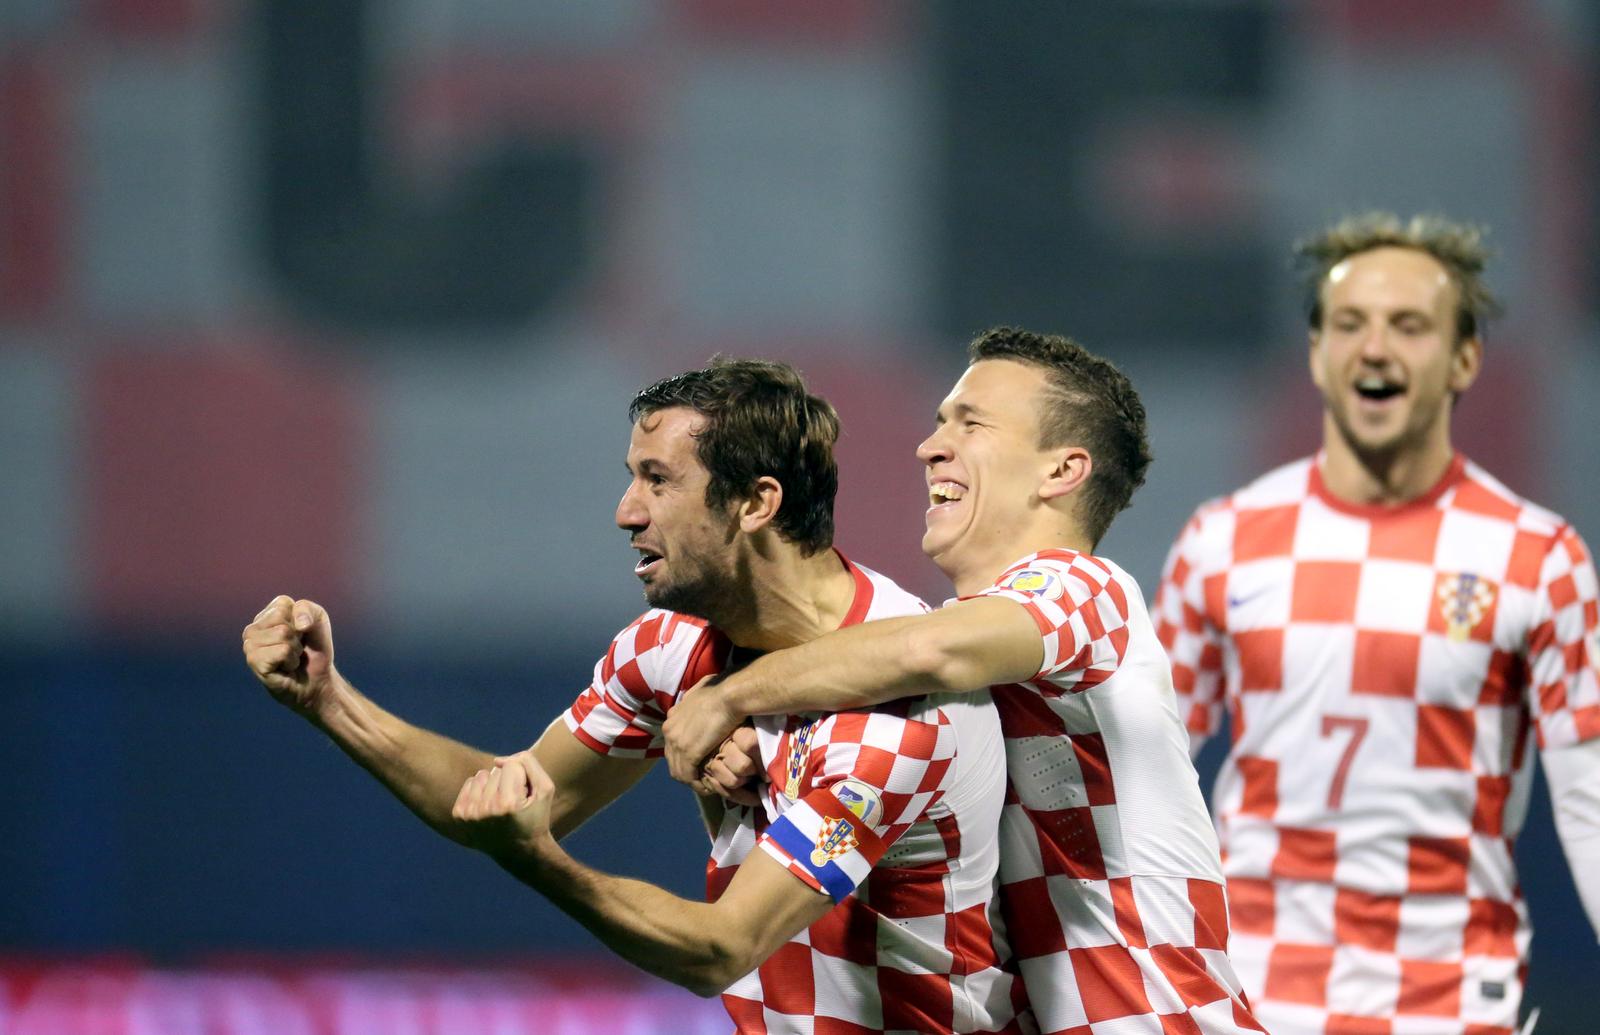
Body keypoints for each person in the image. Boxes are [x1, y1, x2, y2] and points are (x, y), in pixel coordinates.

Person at [241, 358, 1025, 1034]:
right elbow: (504, 799)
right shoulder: (668, 649)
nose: (627, 512)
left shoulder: (899, 714)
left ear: (757, 503)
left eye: (658, 480)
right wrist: (329, 699)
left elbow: (718, 948)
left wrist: (537, 860)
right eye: (631, 478)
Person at [662, 327, 1266, 1035]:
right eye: (939, 421)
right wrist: (749, 761)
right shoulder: (951, 655)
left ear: (1062, 471)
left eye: (970, 422)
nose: (928, 446)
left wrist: (732, 694)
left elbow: (933, 651)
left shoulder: (1083, 588)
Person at [1150, 212, 1600, 1035]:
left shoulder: (1537, 557)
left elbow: (1590, 798)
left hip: (1449, 1003)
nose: (1376, 348)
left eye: (1409, 325)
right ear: (1318, 354)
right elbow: (1138, 768)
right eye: (1350, 324)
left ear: (1465, 358)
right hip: (1249, 1003)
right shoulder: (1223, 540)